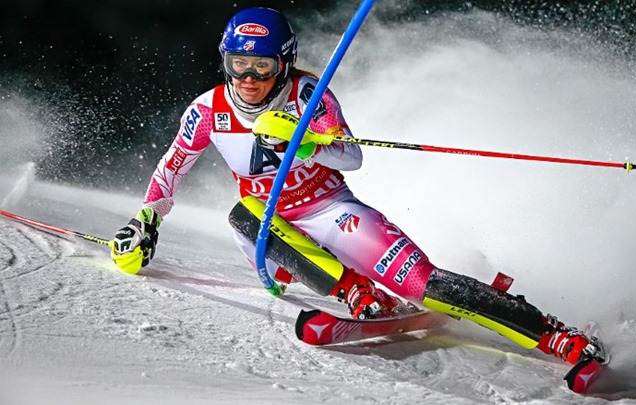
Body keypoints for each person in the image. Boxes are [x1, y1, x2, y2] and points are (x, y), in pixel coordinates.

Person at [110, 7, 604, 367]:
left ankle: (553, 335)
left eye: (263, 66)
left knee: (424, 284)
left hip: (330, 209)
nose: (249, 79)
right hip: (271, 237)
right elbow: (172, 167)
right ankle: (355, 291)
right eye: (239, 64)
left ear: (283, 64)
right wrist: (146, 219)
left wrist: (305, 142)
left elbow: (352, 156)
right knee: (244, 212)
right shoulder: (207, 111)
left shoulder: (310, 95)